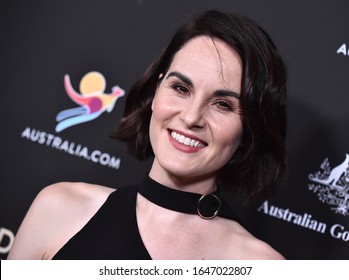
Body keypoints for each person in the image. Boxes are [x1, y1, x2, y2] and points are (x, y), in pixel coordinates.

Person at [8, 9, 287, 260]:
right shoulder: (58, 208)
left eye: (223, 104)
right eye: (180, 88)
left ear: (248, 131)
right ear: (156, 92)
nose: (191, 118)